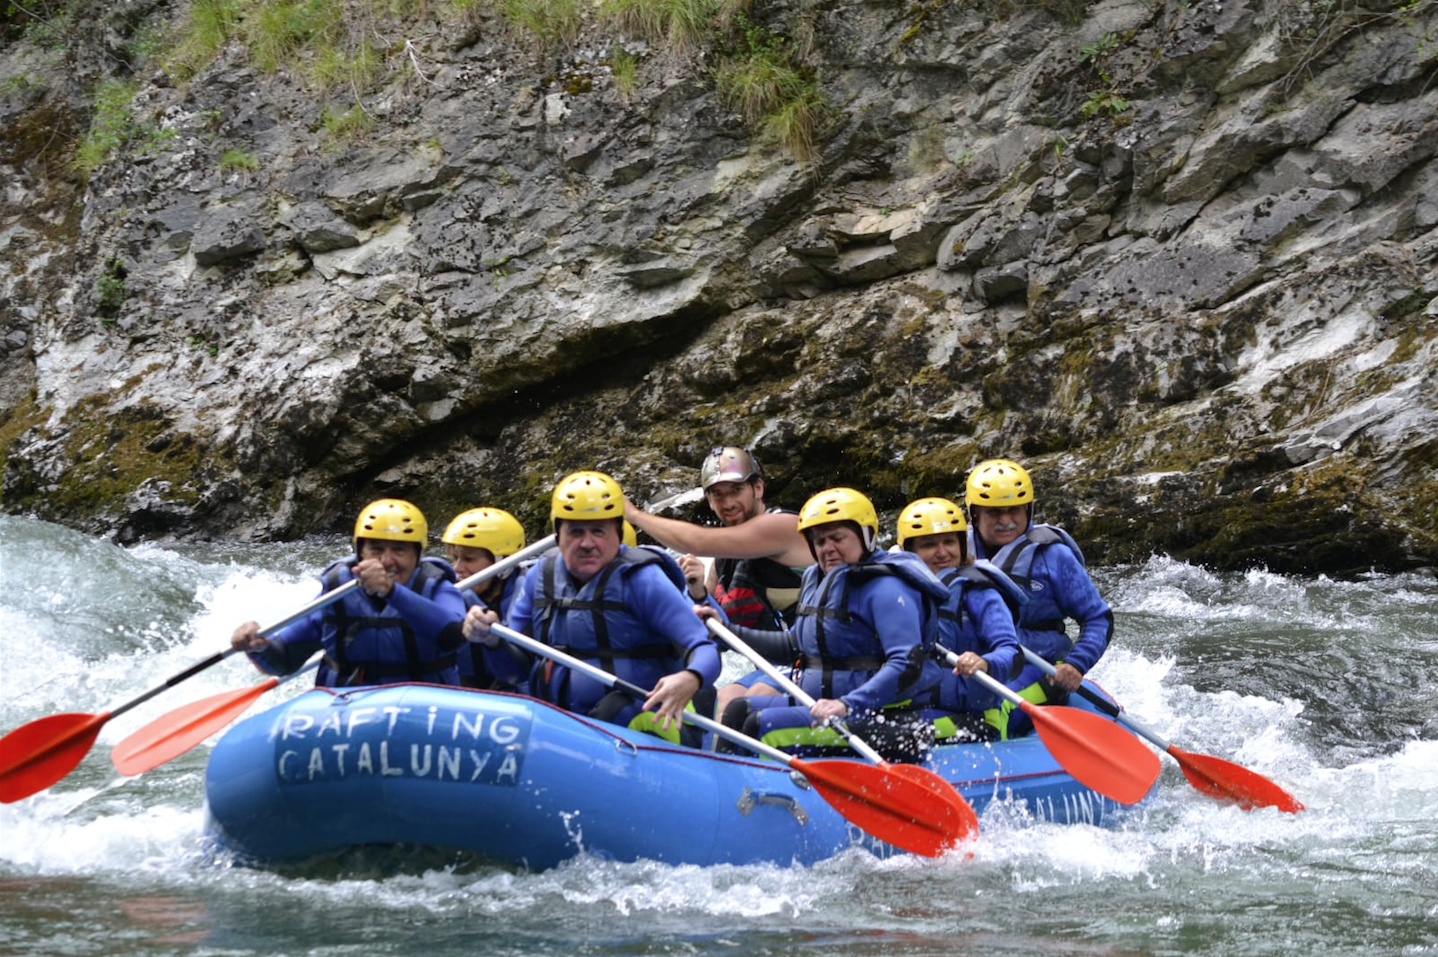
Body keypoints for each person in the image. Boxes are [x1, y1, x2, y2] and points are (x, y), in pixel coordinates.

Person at [462, 470, 721, 744]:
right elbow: (516, 670)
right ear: (558, 535)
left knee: (616, 711)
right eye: (575, 531)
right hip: (564, 728)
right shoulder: (540, 578)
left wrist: (691, 677)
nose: (587, 543)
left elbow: (704, 648)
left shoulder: (643, 580)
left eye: (599, 531)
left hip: (647, 725)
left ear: (618, 534)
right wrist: (492, 639)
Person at [710, 487, 949, 762]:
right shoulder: (817, 578)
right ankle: (723, 784)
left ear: (867, 537)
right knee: (739, 710)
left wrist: (847, 705)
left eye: (838, 538)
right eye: (820, 541)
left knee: (760, 726)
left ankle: (744, 793)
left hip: (884, 714)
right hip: (823, 705)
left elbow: (906, 664)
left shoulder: (886, 588)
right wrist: (726, 632)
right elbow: (794, 646)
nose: (828, 548)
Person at [624, 446, 808, 712]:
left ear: (758, 488)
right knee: (724, 697)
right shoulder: (726, 558)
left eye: (736, 491)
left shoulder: (783, 527)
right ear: (709, 501)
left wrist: (633, 515)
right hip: (773, 667)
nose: (728, 503)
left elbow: (698, 542)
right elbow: (709, 627)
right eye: (717, 495)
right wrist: (697, 590)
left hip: (817, 662)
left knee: (755, 696)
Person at [231, 499, 467, 687]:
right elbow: (285, 660)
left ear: (417, 556)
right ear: (360, 553)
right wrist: (259, 646)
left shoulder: (438, 587)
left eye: (399, 550)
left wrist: (391, 591)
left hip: (422, 710)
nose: (386, 561)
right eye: (375, 549)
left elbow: (454, 635)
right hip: (348, 708)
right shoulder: (338, 592)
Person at [965, 458, 1114, 738]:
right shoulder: (951, 551)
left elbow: (1098, 618)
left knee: (992, 703)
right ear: (975, 515)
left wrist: (1076, 663)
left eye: (1014, 511)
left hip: (1039, 666)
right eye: (994, 513)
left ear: (1028, 510)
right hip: (975, 660)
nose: (1006, 521)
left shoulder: (1053, 557)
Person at [894, 497, 1023, 742]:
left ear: (963, 545)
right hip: (915, 706)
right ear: (908, 552)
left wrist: (984, 662)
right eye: (929, 544)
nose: (943, 552)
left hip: (975, 715)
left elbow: (1012, 653)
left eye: (950, 542)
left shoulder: (979, 593)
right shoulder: (895, 593)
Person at [441, 506, 529, 690]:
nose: (457, 568)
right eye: (455, 558)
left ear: (503, 563)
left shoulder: (530, 592)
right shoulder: (447, 594)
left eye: (469, 559)